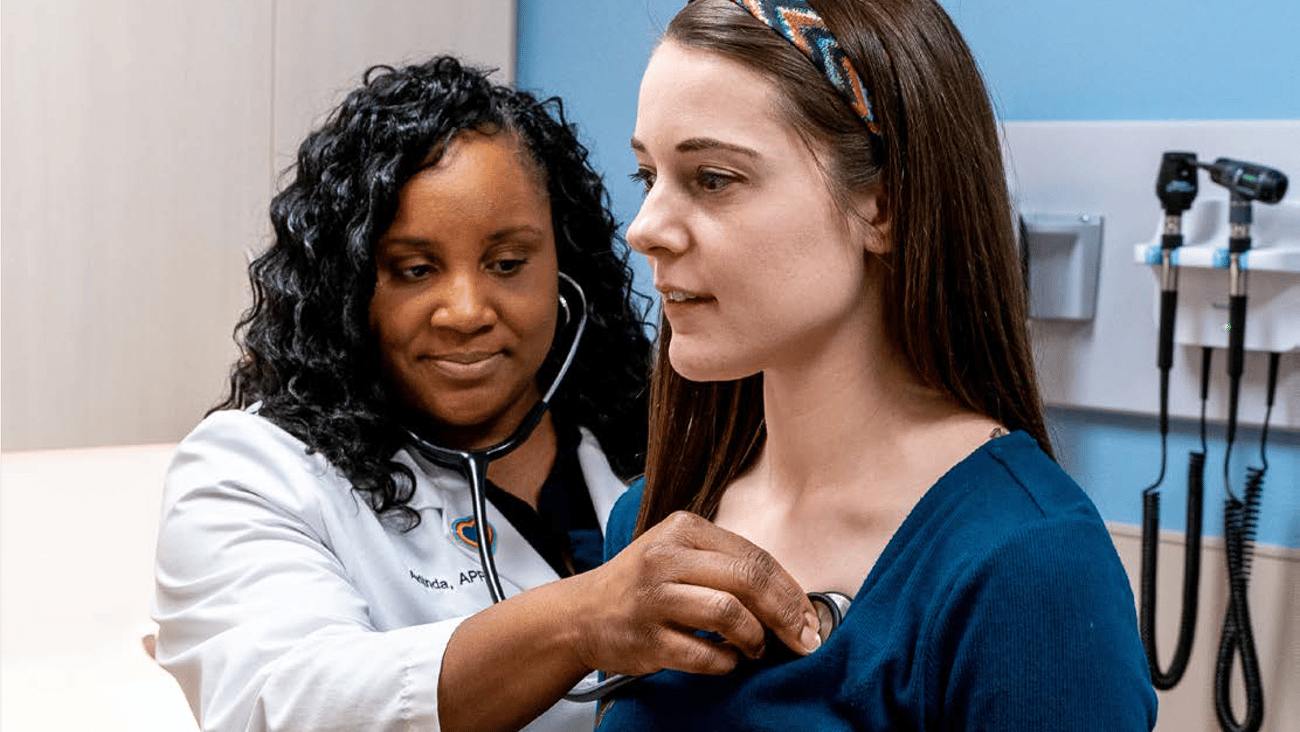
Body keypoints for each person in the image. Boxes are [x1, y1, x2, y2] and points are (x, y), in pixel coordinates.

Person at [152, 55, 822, 732]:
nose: (467, 310)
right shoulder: (251, 473)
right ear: (347, 290)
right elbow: (286, 704)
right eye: (414, 271)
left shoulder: (651, 449)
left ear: (564, 266)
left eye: (507, 264)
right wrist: (585, 617)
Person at [597, 0, 1158, 729]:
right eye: (647, 176)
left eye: (712, 178)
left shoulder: (1029, 569)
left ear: (882, 205)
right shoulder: (652, 525)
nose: (645, 229)